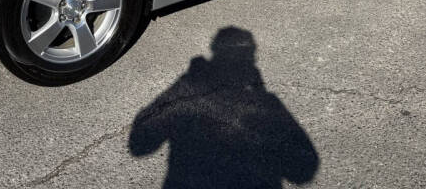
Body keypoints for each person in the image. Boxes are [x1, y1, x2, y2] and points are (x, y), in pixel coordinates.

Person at [129, 26, 319, 188]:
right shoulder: (266, 102)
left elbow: (140, 144)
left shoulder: (264, 101)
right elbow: (304, 171)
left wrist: (182, 88)